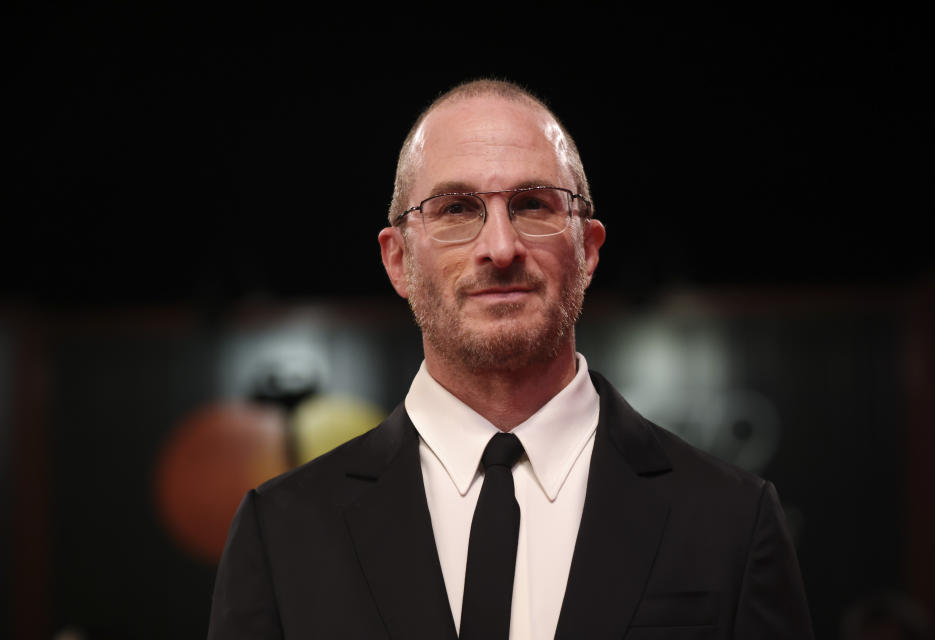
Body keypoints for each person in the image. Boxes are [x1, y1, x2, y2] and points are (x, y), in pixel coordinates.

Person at [208, 79, 814, 639]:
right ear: (398, 261)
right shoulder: (281, 530)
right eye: (455, 209)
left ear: (588, 249)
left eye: (532, 205)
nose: (500, 247)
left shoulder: (732, 519)